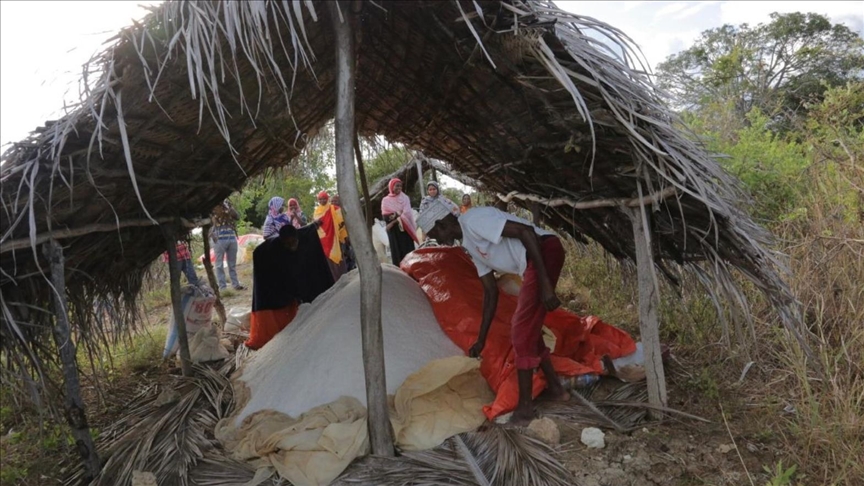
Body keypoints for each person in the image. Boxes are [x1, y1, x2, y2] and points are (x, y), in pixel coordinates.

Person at [417, 199, 570, 425]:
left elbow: (526, 232)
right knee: (529, 330)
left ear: (441, 224)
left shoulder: (474, 220)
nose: (438, 240)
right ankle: (557, 390)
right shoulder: (468, 244)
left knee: (520, 332)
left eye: (435, 234)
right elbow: (490, 292)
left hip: (544, 251)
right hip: (533, 263)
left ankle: (526, 409)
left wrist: (545, 282)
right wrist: (481, 339)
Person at [246, 222, 334, 350]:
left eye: (293, 242)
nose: (291, 246)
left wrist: (315, 224)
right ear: (282, 242)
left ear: (297, 238)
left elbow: (305, 229)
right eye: (287, 244)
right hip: (276, 277)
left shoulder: (303, 238)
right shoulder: (271, 252)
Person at [380, 178, 418, 266]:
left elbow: (407, 213)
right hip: (394, 232)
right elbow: (386, 216)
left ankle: (410, 271)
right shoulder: (385, 200)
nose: (399, 188)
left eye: (400, 186)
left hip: (405, 229)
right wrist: (398, 214)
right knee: (396, 252)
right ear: (391, 186)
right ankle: (400, 272)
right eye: (397, 185)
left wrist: (394, 219)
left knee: (408, 252)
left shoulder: (405, 198)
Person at [210, 199, 246, 290]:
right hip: (219, 239)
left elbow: (237, 217)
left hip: (231, 238)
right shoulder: (211, 206)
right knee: (219, 264)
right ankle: (222, 287)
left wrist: (229, 208)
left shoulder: (227, 205)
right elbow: (209, 223)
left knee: (232, 264)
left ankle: (235, 284)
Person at [313, 191, 349, 281]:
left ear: (327, 198)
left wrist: (338, 231)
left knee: (339, 257)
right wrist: (316, 223)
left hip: (335, 238)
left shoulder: (334, 208)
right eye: (320, 199)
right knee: (330, 262)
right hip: (325, 241)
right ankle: (335, 280)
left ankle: (345, 278)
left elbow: (342, 220)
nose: (322, 200)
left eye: (324, 198)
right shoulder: (317, 212)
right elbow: (315, 226)